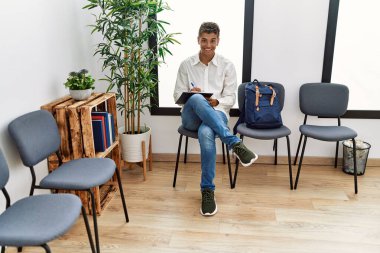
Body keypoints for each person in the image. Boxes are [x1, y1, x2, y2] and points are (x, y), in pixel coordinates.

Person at [173, 22, 258, 216]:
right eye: (204, 40)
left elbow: (230, 99)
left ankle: (207, 191)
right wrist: (190, 94)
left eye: (212, 40)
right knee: (195, 98)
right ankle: (234, 143)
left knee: (206, 131)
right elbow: (177, 96)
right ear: (198, 40)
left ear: (218, 41)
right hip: (190, 117)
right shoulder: (186, 64)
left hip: (217, 112)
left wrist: (215, 101)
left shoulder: (227, 65)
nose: (207, 45)